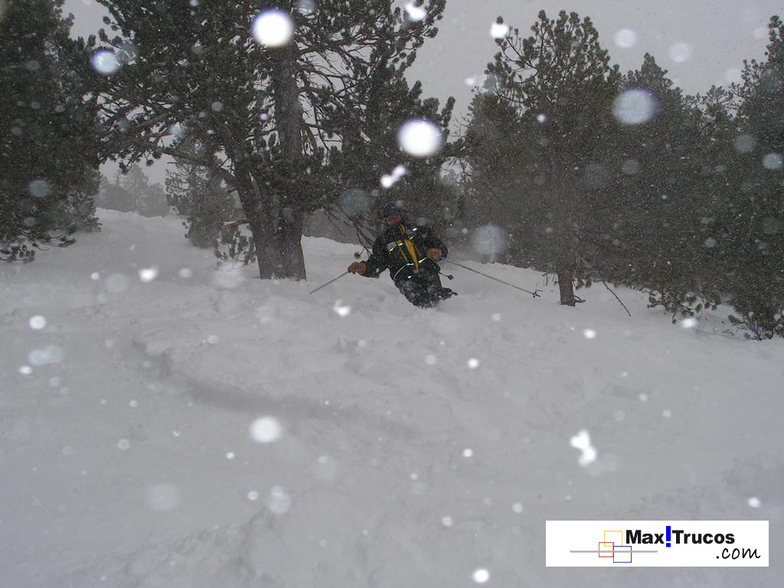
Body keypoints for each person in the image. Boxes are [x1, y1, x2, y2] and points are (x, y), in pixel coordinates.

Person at [347, 201, 457, 308]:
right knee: (420, 299)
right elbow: (376, 263)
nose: (393, 221)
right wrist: (363, 267)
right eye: (390, 219)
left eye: (395, 217)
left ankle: (455, 308)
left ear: (401, 215)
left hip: (427, 270)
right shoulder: (384, 241)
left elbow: (439, 246)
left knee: (436, 294)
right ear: (386, 221)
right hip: (405, 277)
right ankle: (425, 319)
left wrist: (438, 251)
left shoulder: (418, 230)